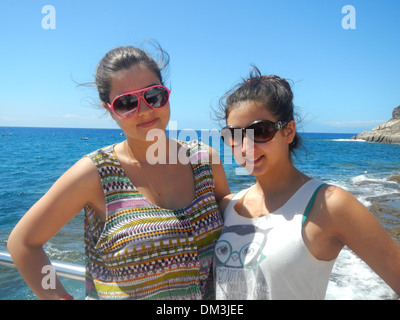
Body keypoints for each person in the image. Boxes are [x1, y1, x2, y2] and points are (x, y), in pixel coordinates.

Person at [8, 44, 230, 300]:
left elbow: (229, 209)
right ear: (109, 109)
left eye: (154, 95)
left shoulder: (204, 160)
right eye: (126, 103)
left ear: (167, 93)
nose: (145, 110)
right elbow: (23, 243)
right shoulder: (96, 173)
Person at [214, 66, 400, 300]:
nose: (244, 147)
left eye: (260, 131)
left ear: (289, 131)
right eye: (234, 135)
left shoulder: (330, 205)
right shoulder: (228, 207)